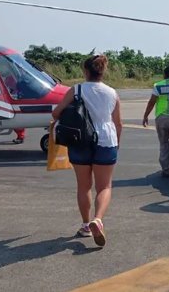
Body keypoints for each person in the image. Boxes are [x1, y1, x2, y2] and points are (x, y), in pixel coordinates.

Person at [52, 55, 122, 247]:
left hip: (80, 140)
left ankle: (85, 224)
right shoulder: (112, 93)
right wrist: (117, 143)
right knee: (105, 186)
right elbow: (118, 123)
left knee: (83, 186)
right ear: (103, 71)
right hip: (106, 140)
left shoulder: (77, 89)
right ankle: (98, 220)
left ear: (85, 71)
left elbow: (56, 112)